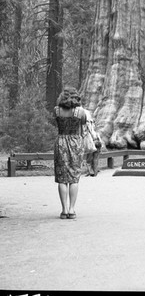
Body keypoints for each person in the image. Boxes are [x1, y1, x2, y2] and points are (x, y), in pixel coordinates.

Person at [53, 86, 87, 219]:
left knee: (62, 178)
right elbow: (83, 123)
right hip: (75, 143)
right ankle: (72, 210)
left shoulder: (57, 110)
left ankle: (64, 210)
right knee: (74, 178)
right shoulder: (80, 112)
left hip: (61, 142)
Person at [83, 108, 102, 177]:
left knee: (88, 159)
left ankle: (91, 171)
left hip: (91, 142)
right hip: (98, 141)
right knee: (95, 158)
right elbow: (98, 134)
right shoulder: (94, 125)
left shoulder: (87, 126)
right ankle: (95, 172)